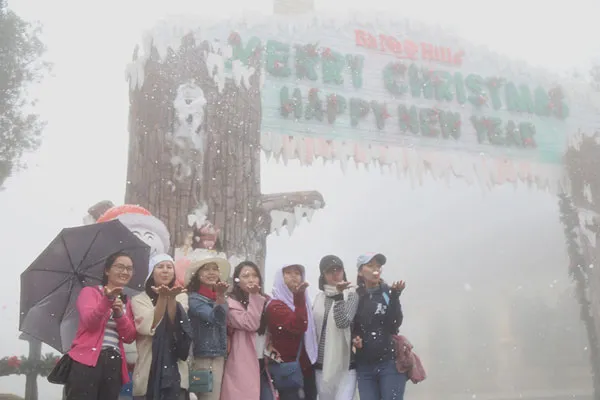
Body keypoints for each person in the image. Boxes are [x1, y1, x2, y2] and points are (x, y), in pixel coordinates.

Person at [65, 251, 137, 400]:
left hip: (114, 361)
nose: (125, 272)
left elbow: (129, 336)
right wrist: (107, 300)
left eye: (129, 269)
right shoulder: (89, 293)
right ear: (107, 270)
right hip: (86, 361)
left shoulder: (127, 302)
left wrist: (119, 314)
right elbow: (90, 323)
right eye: (120, 267)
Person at [131, 253, 192, 400]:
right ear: (151, 272)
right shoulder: (139, 300)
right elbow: (149, 326)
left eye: (169, 267)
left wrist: (171, 298)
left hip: (175, 371)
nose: (165, 270)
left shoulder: (181, 296)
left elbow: (177, 325)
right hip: (148, 370)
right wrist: (163, 298)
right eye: (160, 267)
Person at [352, 253, 407, 400]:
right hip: (364, 366)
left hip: (389, 362)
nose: (375, 269)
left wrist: (395, 296)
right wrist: (355, 338)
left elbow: (394, 324)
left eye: (378, 266)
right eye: (370, 266)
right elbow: (352, 325)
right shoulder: (355, 295)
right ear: (360, 272)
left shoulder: (387, 292)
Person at [220, 261, 274, 400]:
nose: (251, 279)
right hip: (242, 363)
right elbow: (250, 323)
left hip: (264, 363)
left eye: (255, 275)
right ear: (237, 281)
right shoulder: (230, 304)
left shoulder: (266, 301)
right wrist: (254, 296)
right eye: (246, 276)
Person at [266, 264, 318, 400]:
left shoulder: (307, 301)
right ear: (280, 277)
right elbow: (299, 326)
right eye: (288, 273)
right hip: (289, 371)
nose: (293, 276)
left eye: (297, 273)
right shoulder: (275, 305)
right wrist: (298, 297)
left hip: (306, 368)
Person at [313, 255, 359, 400]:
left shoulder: (351, 295)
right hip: (321, 366)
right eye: (329, 271)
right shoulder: (318, 298)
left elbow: (343, 322)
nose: (335, 274)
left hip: (346, 366)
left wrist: (339, 296)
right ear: (323, 275)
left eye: (338, 269)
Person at [185, 257, 231, 400]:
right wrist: (221, 296)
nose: (211, 273)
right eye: (206, 269)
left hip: (217, 356)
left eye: (215, 269)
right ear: (197, 274)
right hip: (203, 358)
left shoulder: (217, 298)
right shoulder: (194, 299)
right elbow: (216, 318)